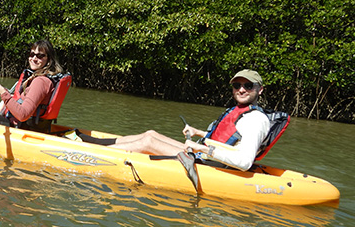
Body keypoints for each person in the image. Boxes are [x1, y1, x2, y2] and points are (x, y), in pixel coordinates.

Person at [79, 69, 271, 172]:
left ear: (260, 90)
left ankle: (90, 154)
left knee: (148, 143)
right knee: (150, 134)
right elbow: (230, 140)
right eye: (237, 85)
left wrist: (202, 148)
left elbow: (244, 162)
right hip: (204, 155)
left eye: (248, 85)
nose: (241, 89)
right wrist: (198, 132)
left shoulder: (256, 120)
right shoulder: (242, 112)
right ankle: (97, 143)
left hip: (210, 164)